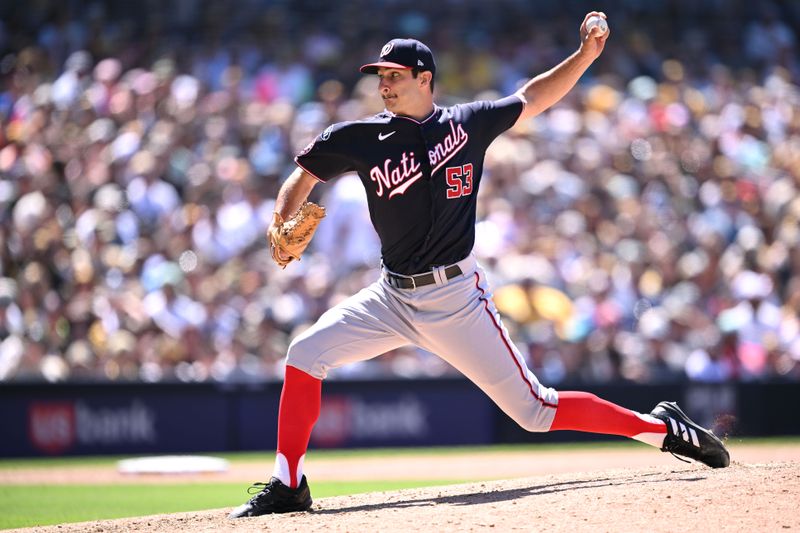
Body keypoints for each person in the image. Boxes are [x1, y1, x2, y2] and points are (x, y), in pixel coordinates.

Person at [229, 12, 729, 518]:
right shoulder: (358, 137)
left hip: (456, 298)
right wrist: (280, 216)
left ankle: (660, 429)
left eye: (394, 75)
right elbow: (304, 175)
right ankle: (289, 482)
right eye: (380, 77)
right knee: (304, 353)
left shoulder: (466, 125)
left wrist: (584, 57)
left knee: (536, 411)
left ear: (425, 78)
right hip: (392, 296)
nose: (384, 85)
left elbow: (533, 98)